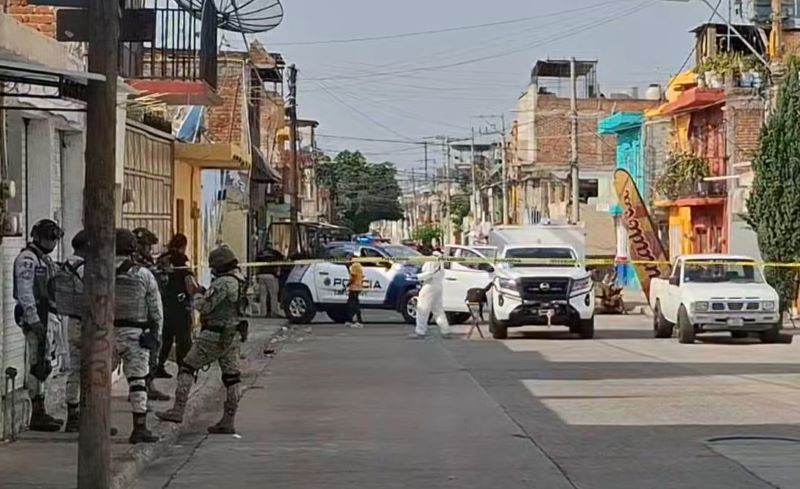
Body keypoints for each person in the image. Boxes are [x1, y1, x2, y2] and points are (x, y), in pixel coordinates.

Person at [157, 245, 248, 434]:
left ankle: (178, 409)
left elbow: (205, 307)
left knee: (187, 367)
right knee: (232, 378)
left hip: (214, 334)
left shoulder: (223, 282)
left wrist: (197, 295)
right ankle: (228, 419)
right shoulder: (240, 279)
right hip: (233, 334)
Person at [13, 219, 64, 431]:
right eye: (49, 237)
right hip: (37, 317)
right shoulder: (28, 259)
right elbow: (25, 291)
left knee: (45, 361)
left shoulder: (44, 259)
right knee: (37, 363)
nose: (52, 242)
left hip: (47, 315)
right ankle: (37, 412)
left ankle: (41, 409)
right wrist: (33, 319)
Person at [114, 228, 163, 443]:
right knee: (137, 381)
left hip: (105, 333)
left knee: (97, 382)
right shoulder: (143, 274)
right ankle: (139, 427)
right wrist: (157, 336)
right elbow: (156, 310)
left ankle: (95, 425)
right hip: (136, 333)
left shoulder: (96, 271)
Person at [131, 227, 171, 402]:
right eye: (147, 246)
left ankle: (146, 386)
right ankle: (144, 388)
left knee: (150, 352)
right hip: (142, 314)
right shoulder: (134, 262)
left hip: (148, 311)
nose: (149, 250)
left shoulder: (147, 261)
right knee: (146, 353)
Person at [153, 234, 197, 377]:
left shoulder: (162, 259)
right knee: (183, 339)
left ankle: (159, 366)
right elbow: (189, 283)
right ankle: (182, 369)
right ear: (184, 245)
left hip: (164, 304)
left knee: (166, 338)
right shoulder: (182, 260)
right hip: (180, 305)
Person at [411, 251, 451, 340]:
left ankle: (420, 332)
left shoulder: (431, 260)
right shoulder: (441, 261)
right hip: (438, 286)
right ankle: (445, 330)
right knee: (438, 310)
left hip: (429, 286)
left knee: (422, 309)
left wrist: (416, 277)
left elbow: (429, 274)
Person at [345, 253, 364, 328]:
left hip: (354, 287)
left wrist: (347, 285)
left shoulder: (354, 265)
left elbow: (353, 277)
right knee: (351, 304)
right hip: (356, 287)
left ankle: (359, 321)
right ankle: (350, 320)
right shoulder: (357, 265)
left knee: (354, 305)